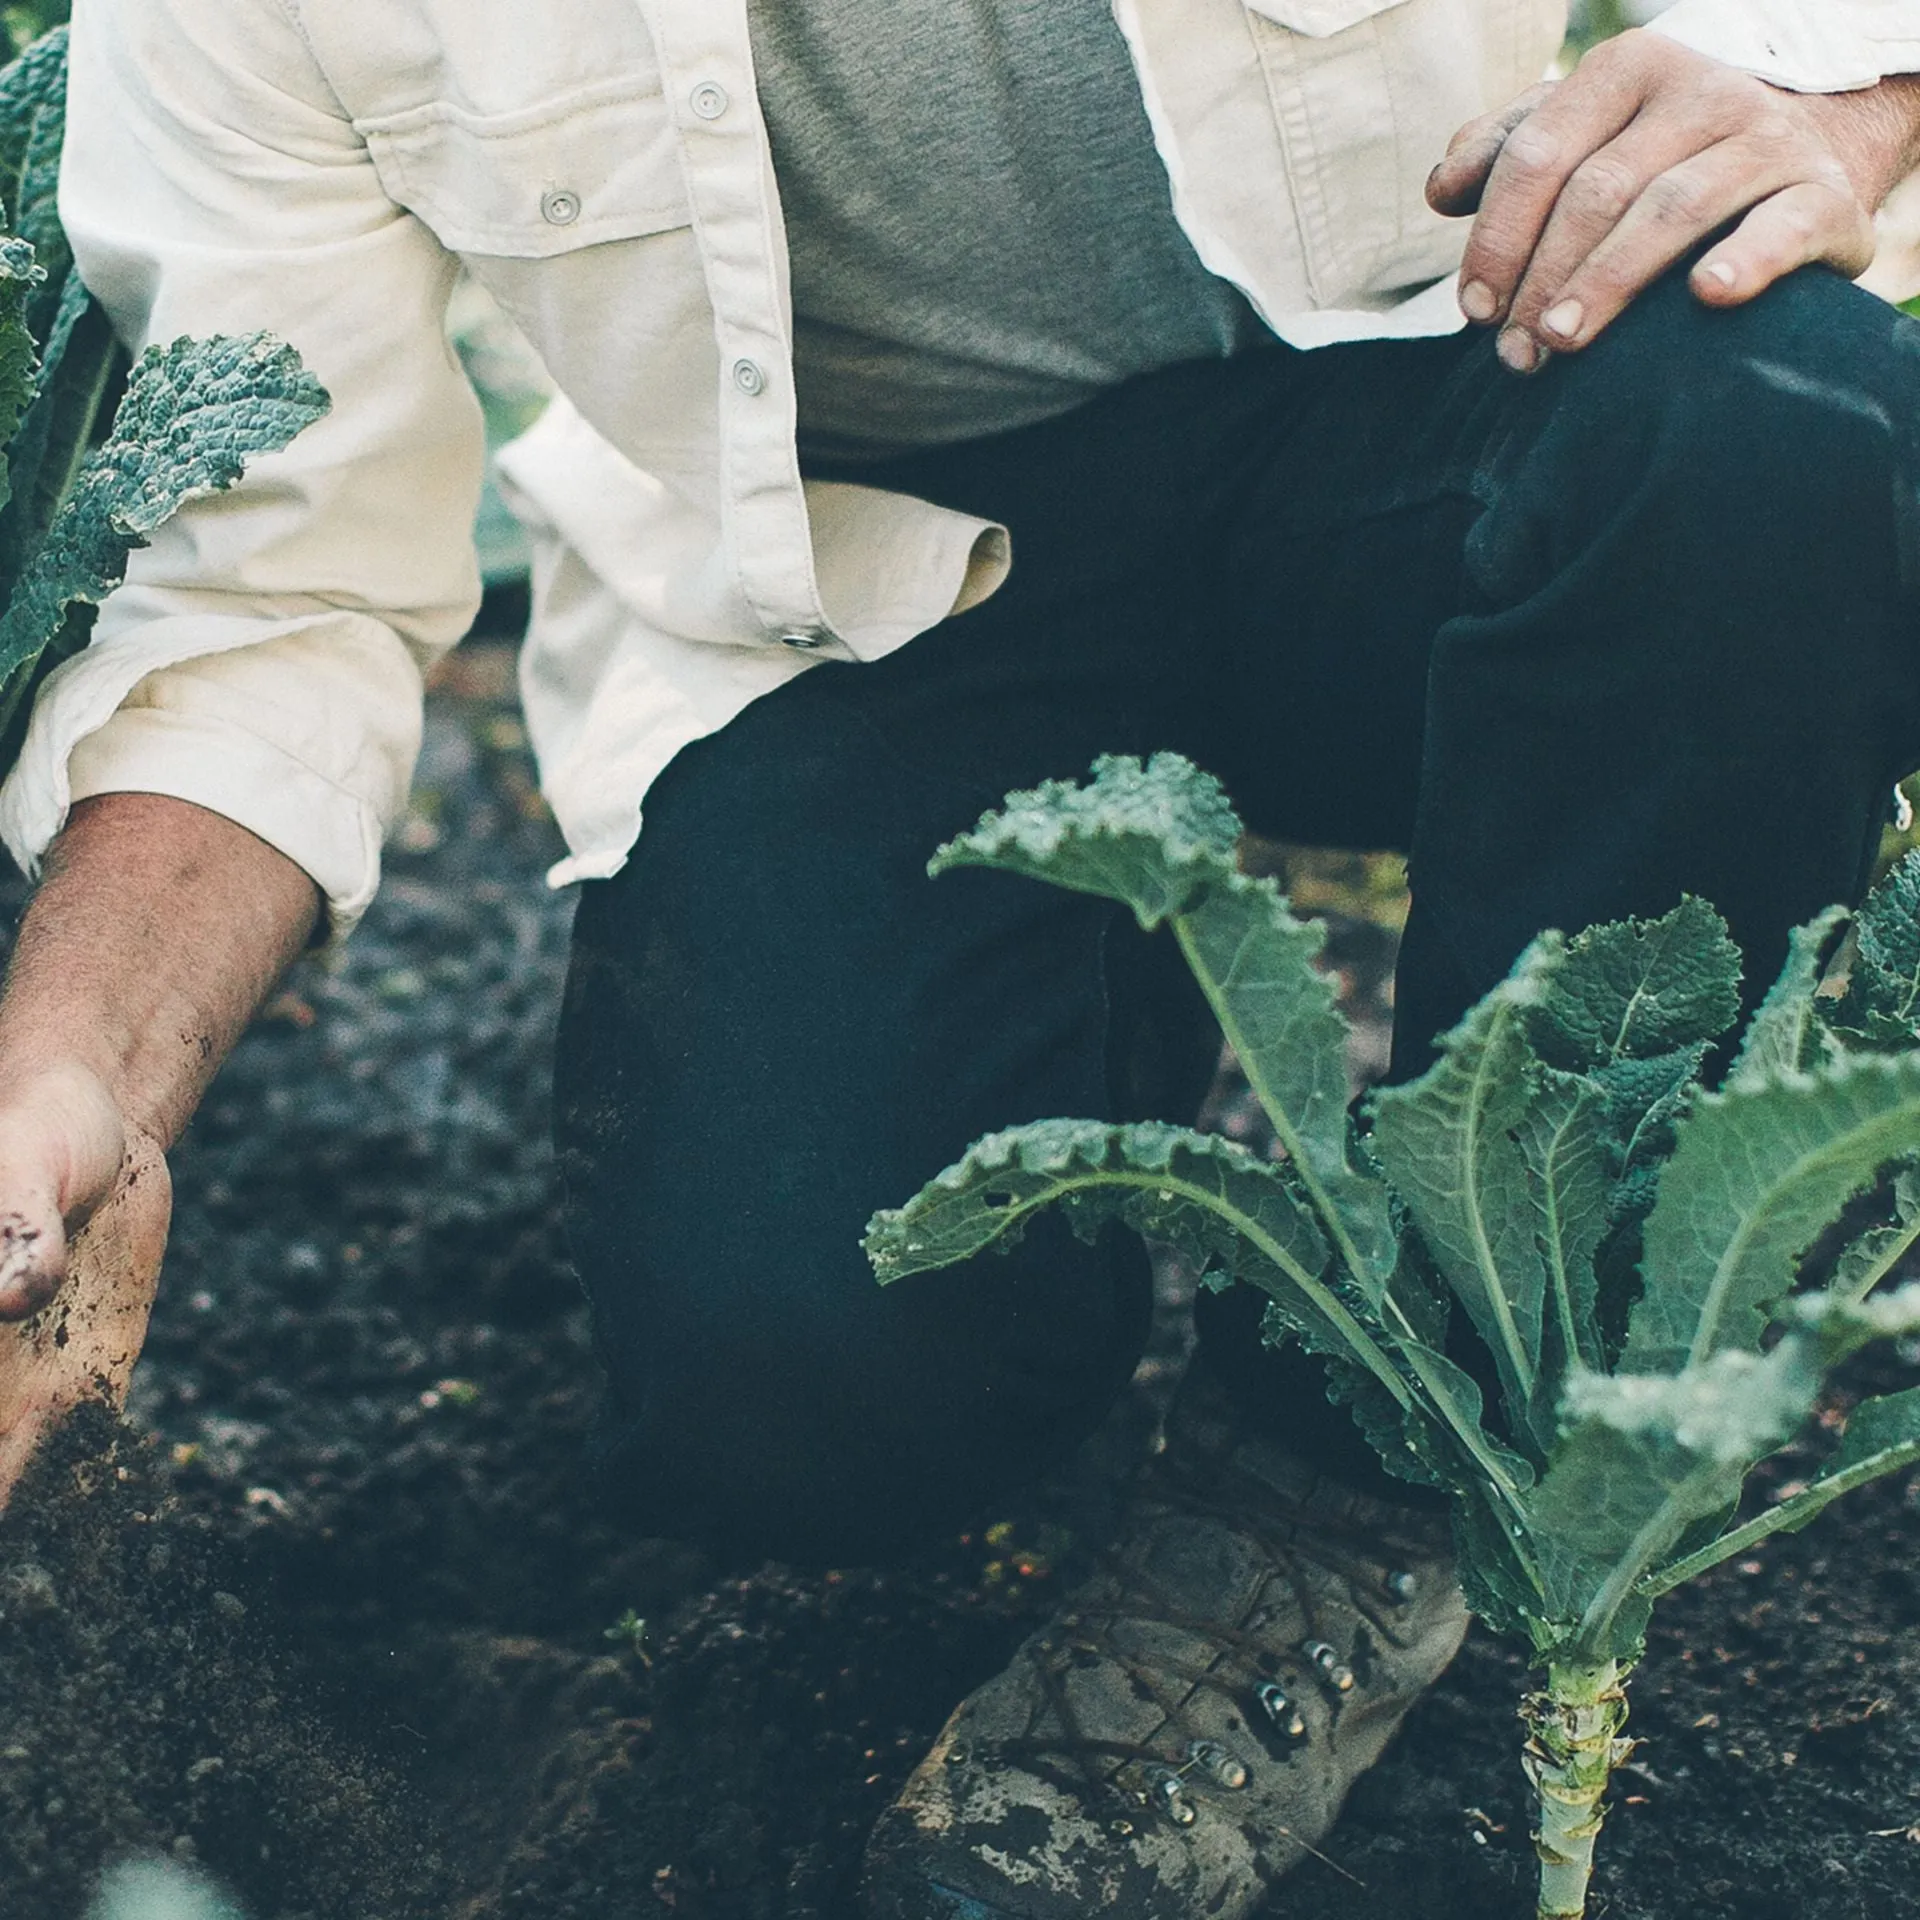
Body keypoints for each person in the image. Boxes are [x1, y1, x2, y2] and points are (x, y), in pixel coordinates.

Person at [2, 0, 1919, 1913]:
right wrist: (76, 1065)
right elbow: (274, 573)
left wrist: (1845, 78)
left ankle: (1355, 1485)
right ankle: (1072, 989)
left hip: (1450, 396)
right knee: (810, 1408)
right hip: (865, 564)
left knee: (1787, 432)